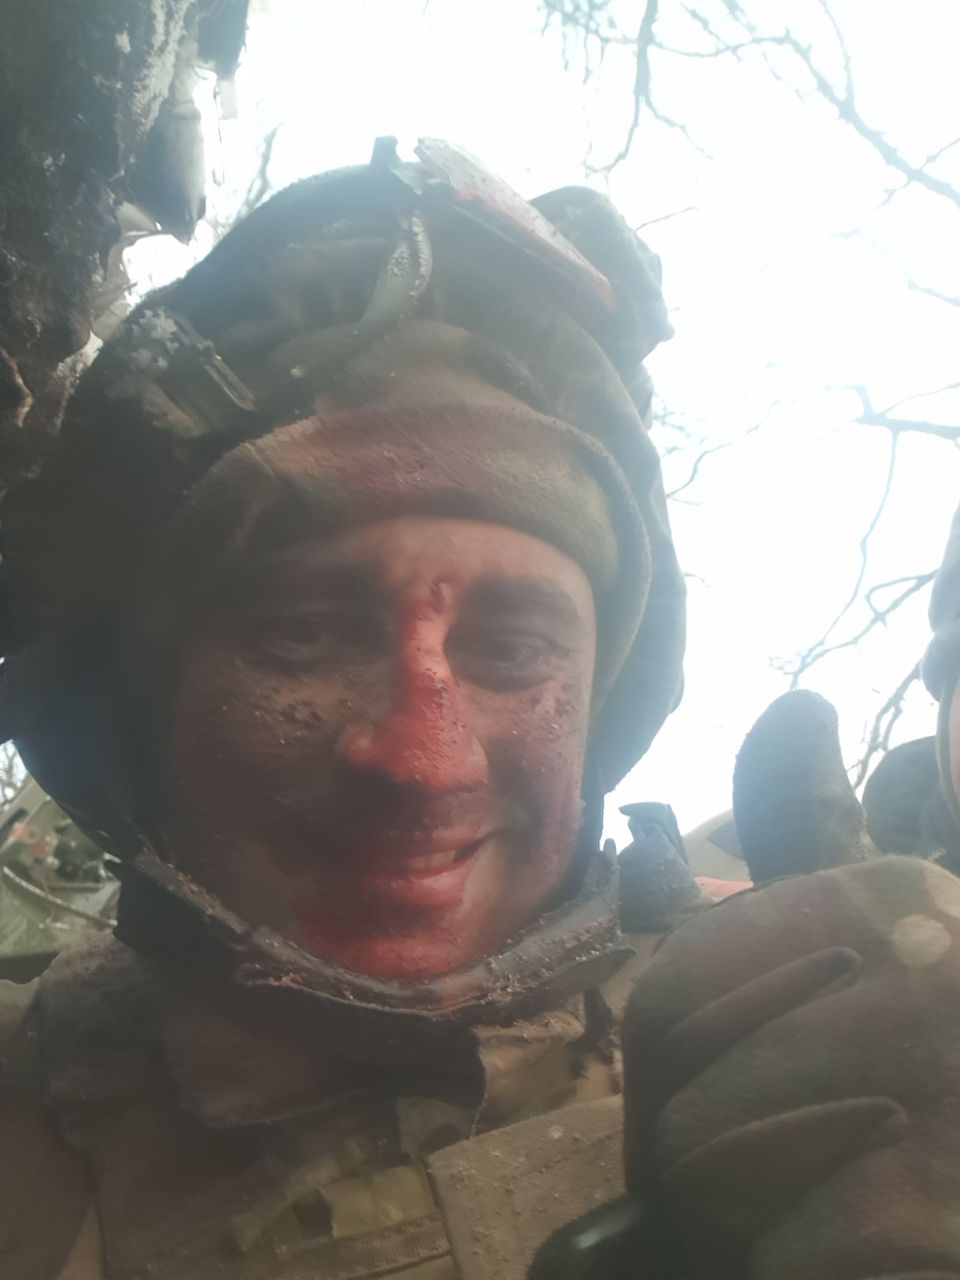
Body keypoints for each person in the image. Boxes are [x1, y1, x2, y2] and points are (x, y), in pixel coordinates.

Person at [0, 137, 958, 1280]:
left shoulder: (816, 1061)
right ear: (143, 703)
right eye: (303, 634)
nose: (424, 757)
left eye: (512, 650)